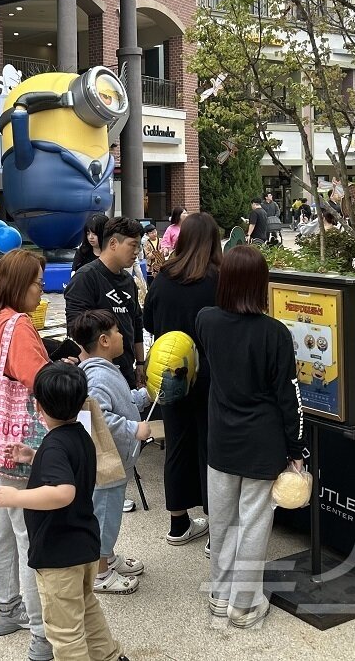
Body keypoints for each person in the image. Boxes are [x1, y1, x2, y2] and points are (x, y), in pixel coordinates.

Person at [195, 246, 304, 627]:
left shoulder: (205, 320)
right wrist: (296, 449)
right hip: (263, 441)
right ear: (261, 284)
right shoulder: (276, 334)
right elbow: (288, 397)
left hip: (221, 439)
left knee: (223, 522)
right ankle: (244, 604)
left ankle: (220, 596)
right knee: (254, 522)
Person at [0, 363, 129, 661]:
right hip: (83, 545)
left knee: (64, 633)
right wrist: (34, 455)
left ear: (38, 405)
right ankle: (109, 656)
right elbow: (70, 467)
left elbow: (63, 492)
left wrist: (18, 496)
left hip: (59, 554)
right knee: (86, 607)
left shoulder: (55, 446)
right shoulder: (80, 434)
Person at [0, 249, 52, 661]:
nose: (41, 291)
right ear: (19, 284)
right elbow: (39, 382)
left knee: (3, 530)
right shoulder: (20, 326)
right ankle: (41, 633)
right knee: (31, 537)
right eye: (37, 283)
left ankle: (3, 609)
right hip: (23, 443)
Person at [142, 212, 220, 550]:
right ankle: (216, 530)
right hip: (210, 376)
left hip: (168, 375)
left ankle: (178, 523)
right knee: (210, 449)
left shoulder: (163, 280)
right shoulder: (218, 279)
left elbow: (148, 324)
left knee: (176, 444)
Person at [73, 310, 149, 596]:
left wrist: (143, 396)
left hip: (113, 460)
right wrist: (133, 429)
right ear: (104, 340)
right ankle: (100, 572)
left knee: (109, 514)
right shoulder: (96, 376)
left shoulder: (104, 368)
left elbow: (120, 400)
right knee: (103, 516)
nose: (122, 336)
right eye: (117, 332)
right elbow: (97, 417)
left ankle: (108, 557)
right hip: (106, 463)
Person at [64, 217, 145, 389]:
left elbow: (136, 323)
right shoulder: (86, 277)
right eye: (133, 245)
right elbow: (75, 329)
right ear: (114, 243)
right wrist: (91, 370)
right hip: (98, 378)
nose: (137, 251)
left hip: (126, 372)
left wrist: (140, 363)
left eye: (139, 246)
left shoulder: (129, 281)